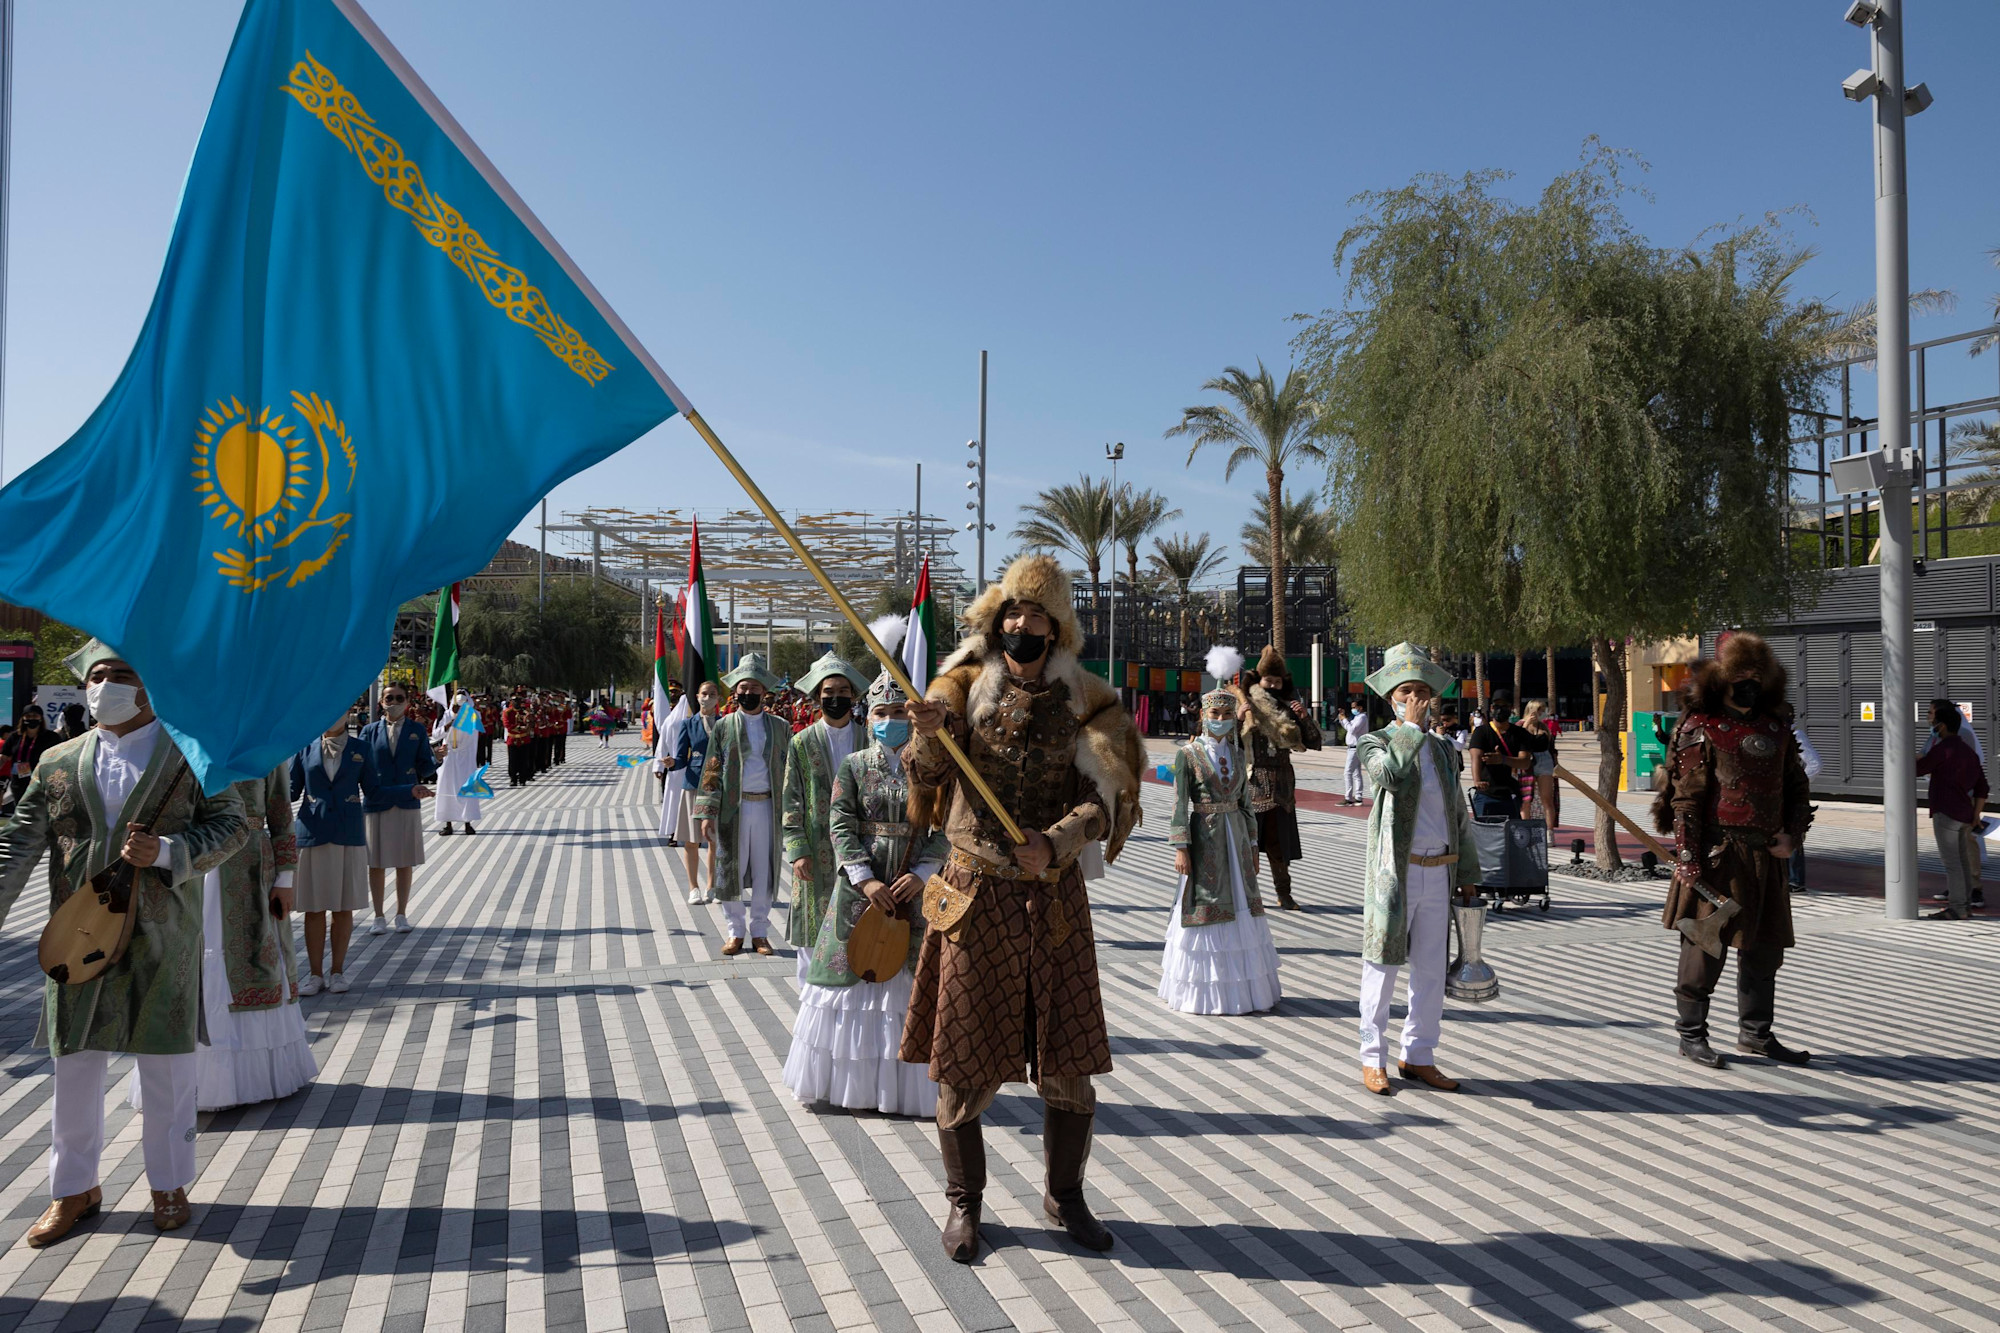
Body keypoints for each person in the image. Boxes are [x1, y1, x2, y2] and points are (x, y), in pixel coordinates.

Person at [902, 553, 1143, 1263]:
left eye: (1034, 613)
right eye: (1010, 610)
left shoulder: (1090, 700)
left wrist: (1059, 840)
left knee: (1069, 1060)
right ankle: (963, 1204)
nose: (1019, 623)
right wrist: (926, 732)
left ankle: (1065, 1196)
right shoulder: (962, 686)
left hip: (1054, 900)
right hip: (974, 896)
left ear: (1056, 626)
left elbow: (1110, 798)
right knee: (964, 1058)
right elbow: (923, 775)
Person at [0, 639, 249, 1244]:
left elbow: (234, 825)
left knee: (164, 1062)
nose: (105, 686)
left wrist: (168, 851)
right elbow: (18, 843)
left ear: (150, 684)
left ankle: (168, 1184)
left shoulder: (193, 756)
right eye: (100, 674)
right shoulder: (59, 761)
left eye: (123, 674)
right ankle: (74, 1189)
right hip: (77, 934)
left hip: (164, 934)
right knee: (75, 1063)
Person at [782, 667, 948, 1116]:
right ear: (867, 715)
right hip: (862, 891)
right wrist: (864, 877)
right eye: (881, 712)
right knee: (851, 977)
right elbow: (841, 822)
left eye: (899, 711)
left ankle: (907, 1090)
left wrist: (926, 870)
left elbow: (946, 823)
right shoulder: (853, 766)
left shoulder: (934, 766)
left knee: (911, 980)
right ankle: (848, 1087)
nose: (890, 719)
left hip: (914, 886)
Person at [1655, 632, 1813, 1069]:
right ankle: (1691, 1036)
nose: (1748, 684)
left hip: (1767, 857)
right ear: (1720, 679)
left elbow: (1798, 789)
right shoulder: (1698, 727)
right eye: (1739, 676)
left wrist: (1792, 835)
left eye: (1755, 676)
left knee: (1764, 951)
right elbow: (1685, 799)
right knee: (1703, 950)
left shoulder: (1775, 727)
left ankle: (1756, 1036)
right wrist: (1688, 859)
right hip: (1716, 857)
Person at [145, 763, 316, 1111]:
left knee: (253, 957)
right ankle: (185, 1078)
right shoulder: (183, 741)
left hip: (250, 865)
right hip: (191, 862)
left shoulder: (265, 743)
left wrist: (285, 878)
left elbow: (281, 811)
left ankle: (253, 1076)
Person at [1355, 644, 1483, 1096]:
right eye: (1406, 692)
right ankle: (1373, 1057)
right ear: (1392, 699)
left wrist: (1469, 872)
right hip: (1396, 873)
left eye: (1423, 692)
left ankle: (1419, 1054)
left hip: (1440, 871)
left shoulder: (1446, 751)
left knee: (1429, 971)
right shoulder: (1377, 740)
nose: (1416, 699)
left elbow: (1457, 813)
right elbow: (1387, 776)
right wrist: (1409, 728)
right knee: (1382, 965)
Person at [1161, 673, 1278, 1015]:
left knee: (1243, 901)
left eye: (1227, 716)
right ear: (1203, 716)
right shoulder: (1188, 755)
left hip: (1237, 838)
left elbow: (1246, 803)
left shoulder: (1240, 756)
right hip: (1204, 837)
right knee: (1205, 900)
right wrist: (1181, 847)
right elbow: (1179, 803)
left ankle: (1244, 989)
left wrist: (1253, 844)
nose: (1221, 721)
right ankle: (1205, 992)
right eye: (1215, 715)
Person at [782, 651, 871, 987]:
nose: (836, 698)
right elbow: (792, 798)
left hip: (861, 843)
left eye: (843, 692)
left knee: (858, 919)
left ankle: (851, 991)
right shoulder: (801, 742)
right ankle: (809, 995)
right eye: (829, 692)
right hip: (815, 845)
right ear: (818, 696)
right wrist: (797, 849)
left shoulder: (868, 738)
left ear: (854, 696)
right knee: (812, 918)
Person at [695, 654, 790, 956]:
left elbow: (790, 769)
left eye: (754, 687)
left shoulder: (780, 727)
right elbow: (711, 767)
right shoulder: (724, 726)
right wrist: (707, 812)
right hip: (732, 809)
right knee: (729, 868)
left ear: (765, 692)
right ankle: (735, 932)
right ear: (735, 692)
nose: (748, 693)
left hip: (768, 806)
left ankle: (760, 932)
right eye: (743, 687)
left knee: (765, 870)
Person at [292, 715, 380, 995]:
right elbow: (291, 791)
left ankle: (338, 972)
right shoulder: (303, 748)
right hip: (312, 833)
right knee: (313, 907)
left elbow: (374, 791)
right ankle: (315, 975)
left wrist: (410, 789)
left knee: (343, 907)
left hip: (347, 834)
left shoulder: (361, 749)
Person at [1243, 645, 1321, 910]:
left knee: (1279, 847)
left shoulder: (1288, 708)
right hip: (1253, 782)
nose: (1273, 685)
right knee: (1247, 843)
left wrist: (1303, 717)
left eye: (1278, 681)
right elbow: (1230, 740)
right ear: (1259, 679)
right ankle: (1246, 894)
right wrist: (1239, 717)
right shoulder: (1248, 705)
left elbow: (1313, 742)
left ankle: (1283, 893)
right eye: (1269, 681)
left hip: (1283, 786)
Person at [362, 684, 436, 936]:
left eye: (399, 698)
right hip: (377, 800)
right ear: (381, 702)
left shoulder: (417, 730)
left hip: (407, 799)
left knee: (404, 861)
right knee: (376, 862)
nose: (394, 701)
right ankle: (378, 915)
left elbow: (425, 767)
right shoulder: (369, 731)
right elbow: (361, 767)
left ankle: (401, 914)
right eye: (389, 698)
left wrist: (439, 757)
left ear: (407, 701)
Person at [1917, 701, 1987, 921]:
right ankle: (1964, 905)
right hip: (1965, 813)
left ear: (1942, 726)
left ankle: (1957, 907)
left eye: (1934, 721)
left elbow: (1919, 769)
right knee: (1963, 862)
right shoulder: (1968, 751)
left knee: (1952, 863)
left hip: (1946, 812)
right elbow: (1983, 786)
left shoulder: (1943, 750)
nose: (1931, 723)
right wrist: (1976, 815)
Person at [659, 681, 720, 903]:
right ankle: (693, 887)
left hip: (718, 787)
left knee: (715, 840)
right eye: (705, 693)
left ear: (718, 698)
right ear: (697, 696)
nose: (708, 697)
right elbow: (680, 758)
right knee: (691, 840)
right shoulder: (688, 724)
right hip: (693, 784)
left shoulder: (726, 723)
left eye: (713, 694)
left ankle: (712, 886)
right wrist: (671, 763)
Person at [1465, 691, 1534, 821]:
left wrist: (1502, 759)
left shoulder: (1520, 733)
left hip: (1510, 794)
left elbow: (1525, 762)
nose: (1500, 709)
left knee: (1512, 836)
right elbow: (1476, 758)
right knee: (1484, 834)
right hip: (1486, 794)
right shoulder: (1481, 732)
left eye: (1504, 706)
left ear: (1511, 708)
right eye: (1496, 706)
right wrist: (1477, 781)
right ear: (1491, 708)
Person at [430, 689, 485, 836]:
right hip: (449, 756)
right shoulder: (445, 715)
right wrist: (449, 724)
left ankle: (468, 822)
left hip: (466, 757)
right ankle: (448, 824)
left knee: (466, 788)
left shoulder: (474, 715)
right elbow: (435, 735)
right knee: (446, 788)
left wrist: (460, 718)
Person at [1788, 722, 1823, 894]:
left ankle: (1795, 880)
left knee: (1793, 833)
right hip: (1769, 794)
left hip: (1789, 794)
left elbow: (1815, 764)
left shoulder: (1794, 734)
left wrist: (1798, 785)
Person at [1, 705, 57, 811]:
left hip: (41, 782)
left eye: (35, 716)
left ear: (41, 718)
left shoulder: (51, 737)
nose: (31, 718)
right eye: (28, 716)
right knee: (21, 812)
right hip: (19, 782)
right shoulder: (15, 736)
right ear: (23, 718)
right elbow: (3, 757)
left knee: (38, 812)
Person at [1519, 699, 1559, 827]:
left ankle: (1549, 831)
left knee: (1547, 799)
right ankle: (1527, 828)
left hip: (1544, 761)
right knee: (1526, 800)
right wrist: (1526, 725)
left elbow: (1552, 748)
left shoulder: (1544, 727)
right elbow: (1517, 742)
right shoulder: (1520, 725)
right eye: (1539, 710)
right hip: (1526, 762)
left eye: (1543, 710)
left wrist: (1556, 765)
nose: (1542, 713)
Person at [503, 687, 533, 787]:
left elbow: (530, 723)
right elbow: (508, 725)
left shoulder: (525, 712)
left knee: (524, 760)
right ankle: (513, 778)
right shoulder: (507, 712)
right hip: (513, 739)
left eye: (518, 701)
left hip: (524, 739)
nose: (516, 703)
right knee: (513, 760)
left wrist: (528, 722)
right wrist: (519, 728)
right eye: (514, 701)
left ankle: (523, 778)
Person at [1341, 701, 1370, 805]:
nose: (1353, 709)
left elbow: (1352, 730)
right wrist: (1343, 720)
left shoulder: (1362, 717)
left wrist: (1345, 720)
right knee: (1356, 773)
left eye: (1354, 707)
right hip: (1353, 747)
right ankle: (1358, 796)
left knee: (1347, 772)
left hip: (1355, 748)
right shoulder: (1357, 718)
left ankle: (1348, 797)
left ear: (1360, 707)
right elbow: (1349, 729)